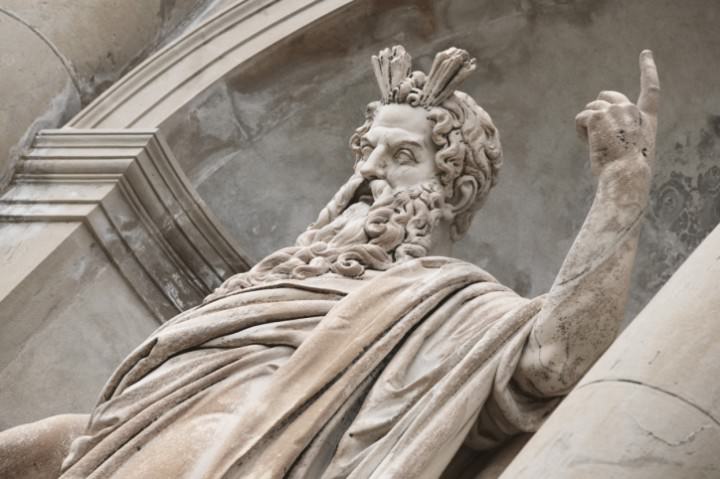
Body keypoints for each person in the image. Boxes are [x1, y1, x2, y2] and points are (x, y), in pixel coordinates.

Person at [0, 45, 660, 479]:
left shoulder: (450, 305)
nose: (369, 170)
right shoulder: (264, 281)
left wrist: (622, 179)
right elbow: (120, 425)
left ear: (452, 192)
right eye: (366, 149)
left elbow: (554, 356)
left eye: (402, 157)